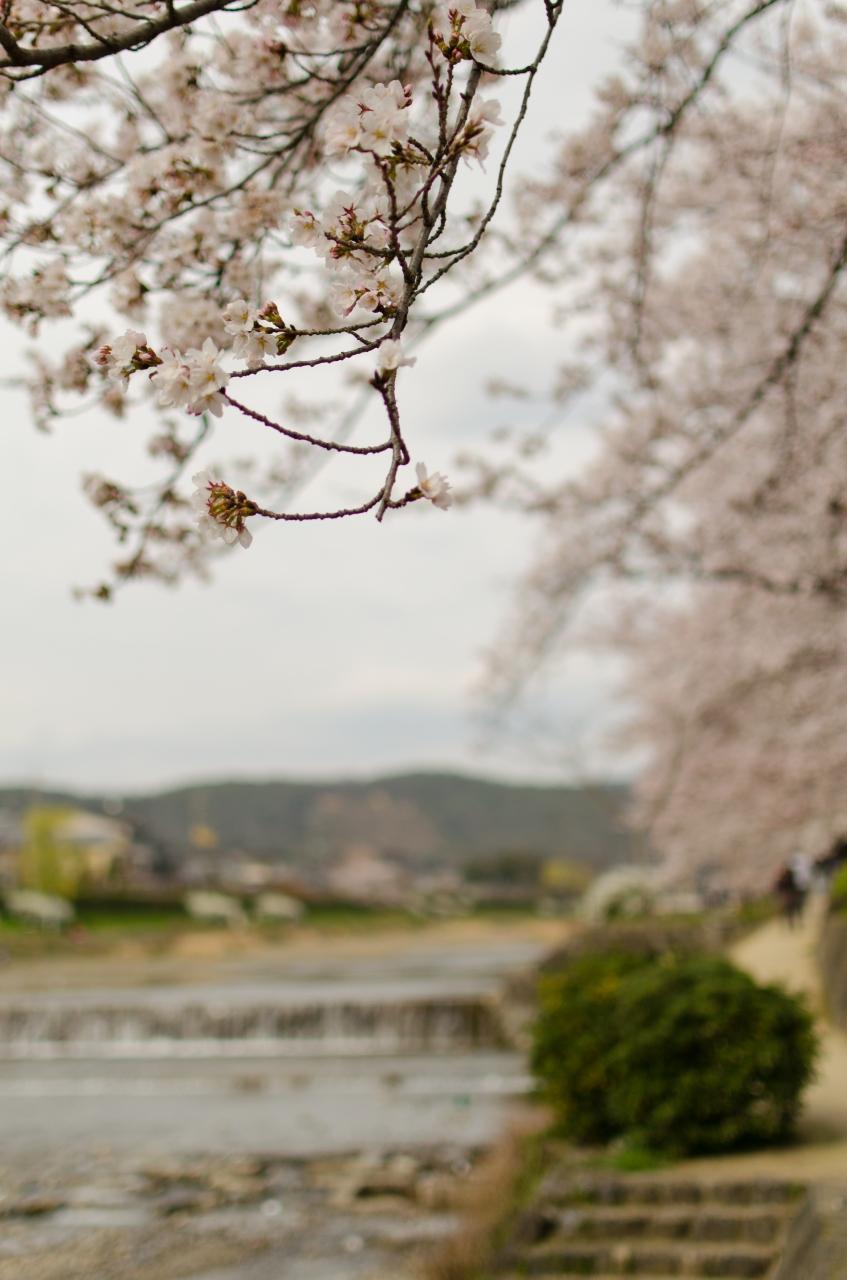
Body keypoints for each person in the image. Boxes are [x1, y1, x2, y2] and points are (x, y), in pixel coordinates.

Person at [774, 863, 804, 928]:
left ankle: (797, 922)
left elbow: (795, 885)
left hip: (791, 896)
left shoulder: (790, 877)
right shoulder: (782, 879)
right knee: (790, 911)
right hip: (788, 897)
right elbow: (779, 888)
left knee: (795, 910)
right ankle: (792, 923)